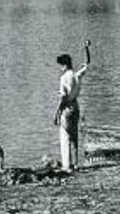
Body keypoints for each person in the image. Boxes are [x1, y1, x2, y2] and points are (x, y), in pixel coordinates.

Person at [54, 40, 91, 172]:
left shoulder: (64, 78)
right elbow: (87, 62)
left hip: (67, 108)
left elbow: (62, 98)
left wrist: (56, 113)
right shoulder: (77, 75)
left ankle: (67, 165)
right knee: (74, 137)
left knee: (65, 137)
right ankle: (76, 164)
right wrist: (86, 48)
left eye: (61, 65)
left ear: (64, 65)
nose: (60, 68)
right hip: (76, 106)